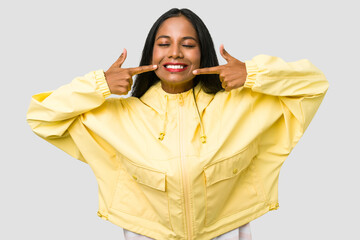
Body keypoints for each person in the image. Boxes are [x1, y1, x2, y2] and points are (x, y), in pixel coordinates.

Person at [26, 8, 328, 240]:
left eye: (188, 44)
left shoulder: (243, 105)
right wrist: (98, 85)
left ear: (203, 52)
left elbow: (314, 84)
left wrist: (254, 74)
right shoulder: (116, 115)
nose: (175, 52)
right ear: (151, 52)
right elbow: (41, 116)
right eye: (164, 43)